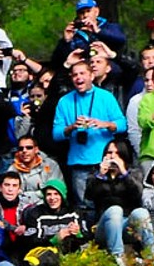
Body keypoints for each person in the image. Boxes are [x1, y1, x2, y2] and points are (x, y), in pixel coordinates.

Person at [53, 58, 127, 204]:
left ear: (92, 76)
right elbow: (56, 134)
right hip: (79, 164)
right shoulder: (64, 101)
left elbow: (122, 125)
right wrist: (72, 127)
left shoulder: (106, 97)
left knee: (107, 203)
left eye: (82, 73)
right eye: (75, 75)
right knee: (84, 206)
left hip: (104, 162)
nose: (78, 77)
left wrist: (105, 124)